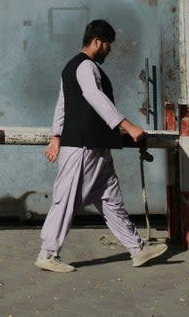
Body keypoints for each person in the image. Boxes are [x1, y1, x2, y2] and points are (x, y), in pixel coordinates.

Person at [35, 19, 168, 272]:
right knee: (67, 199)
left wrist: (56, 136)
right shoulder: (86, 67)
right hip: (83, 147)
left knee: (111, 200)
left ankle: (137, 250)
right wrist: (128, 126)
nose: (109, 50)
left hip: (96, 146)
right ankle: (48, 254)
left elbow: (63, 104)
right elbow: (94, 97)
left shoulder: (71, 67)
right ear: (97, 41)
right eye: (108, 45)